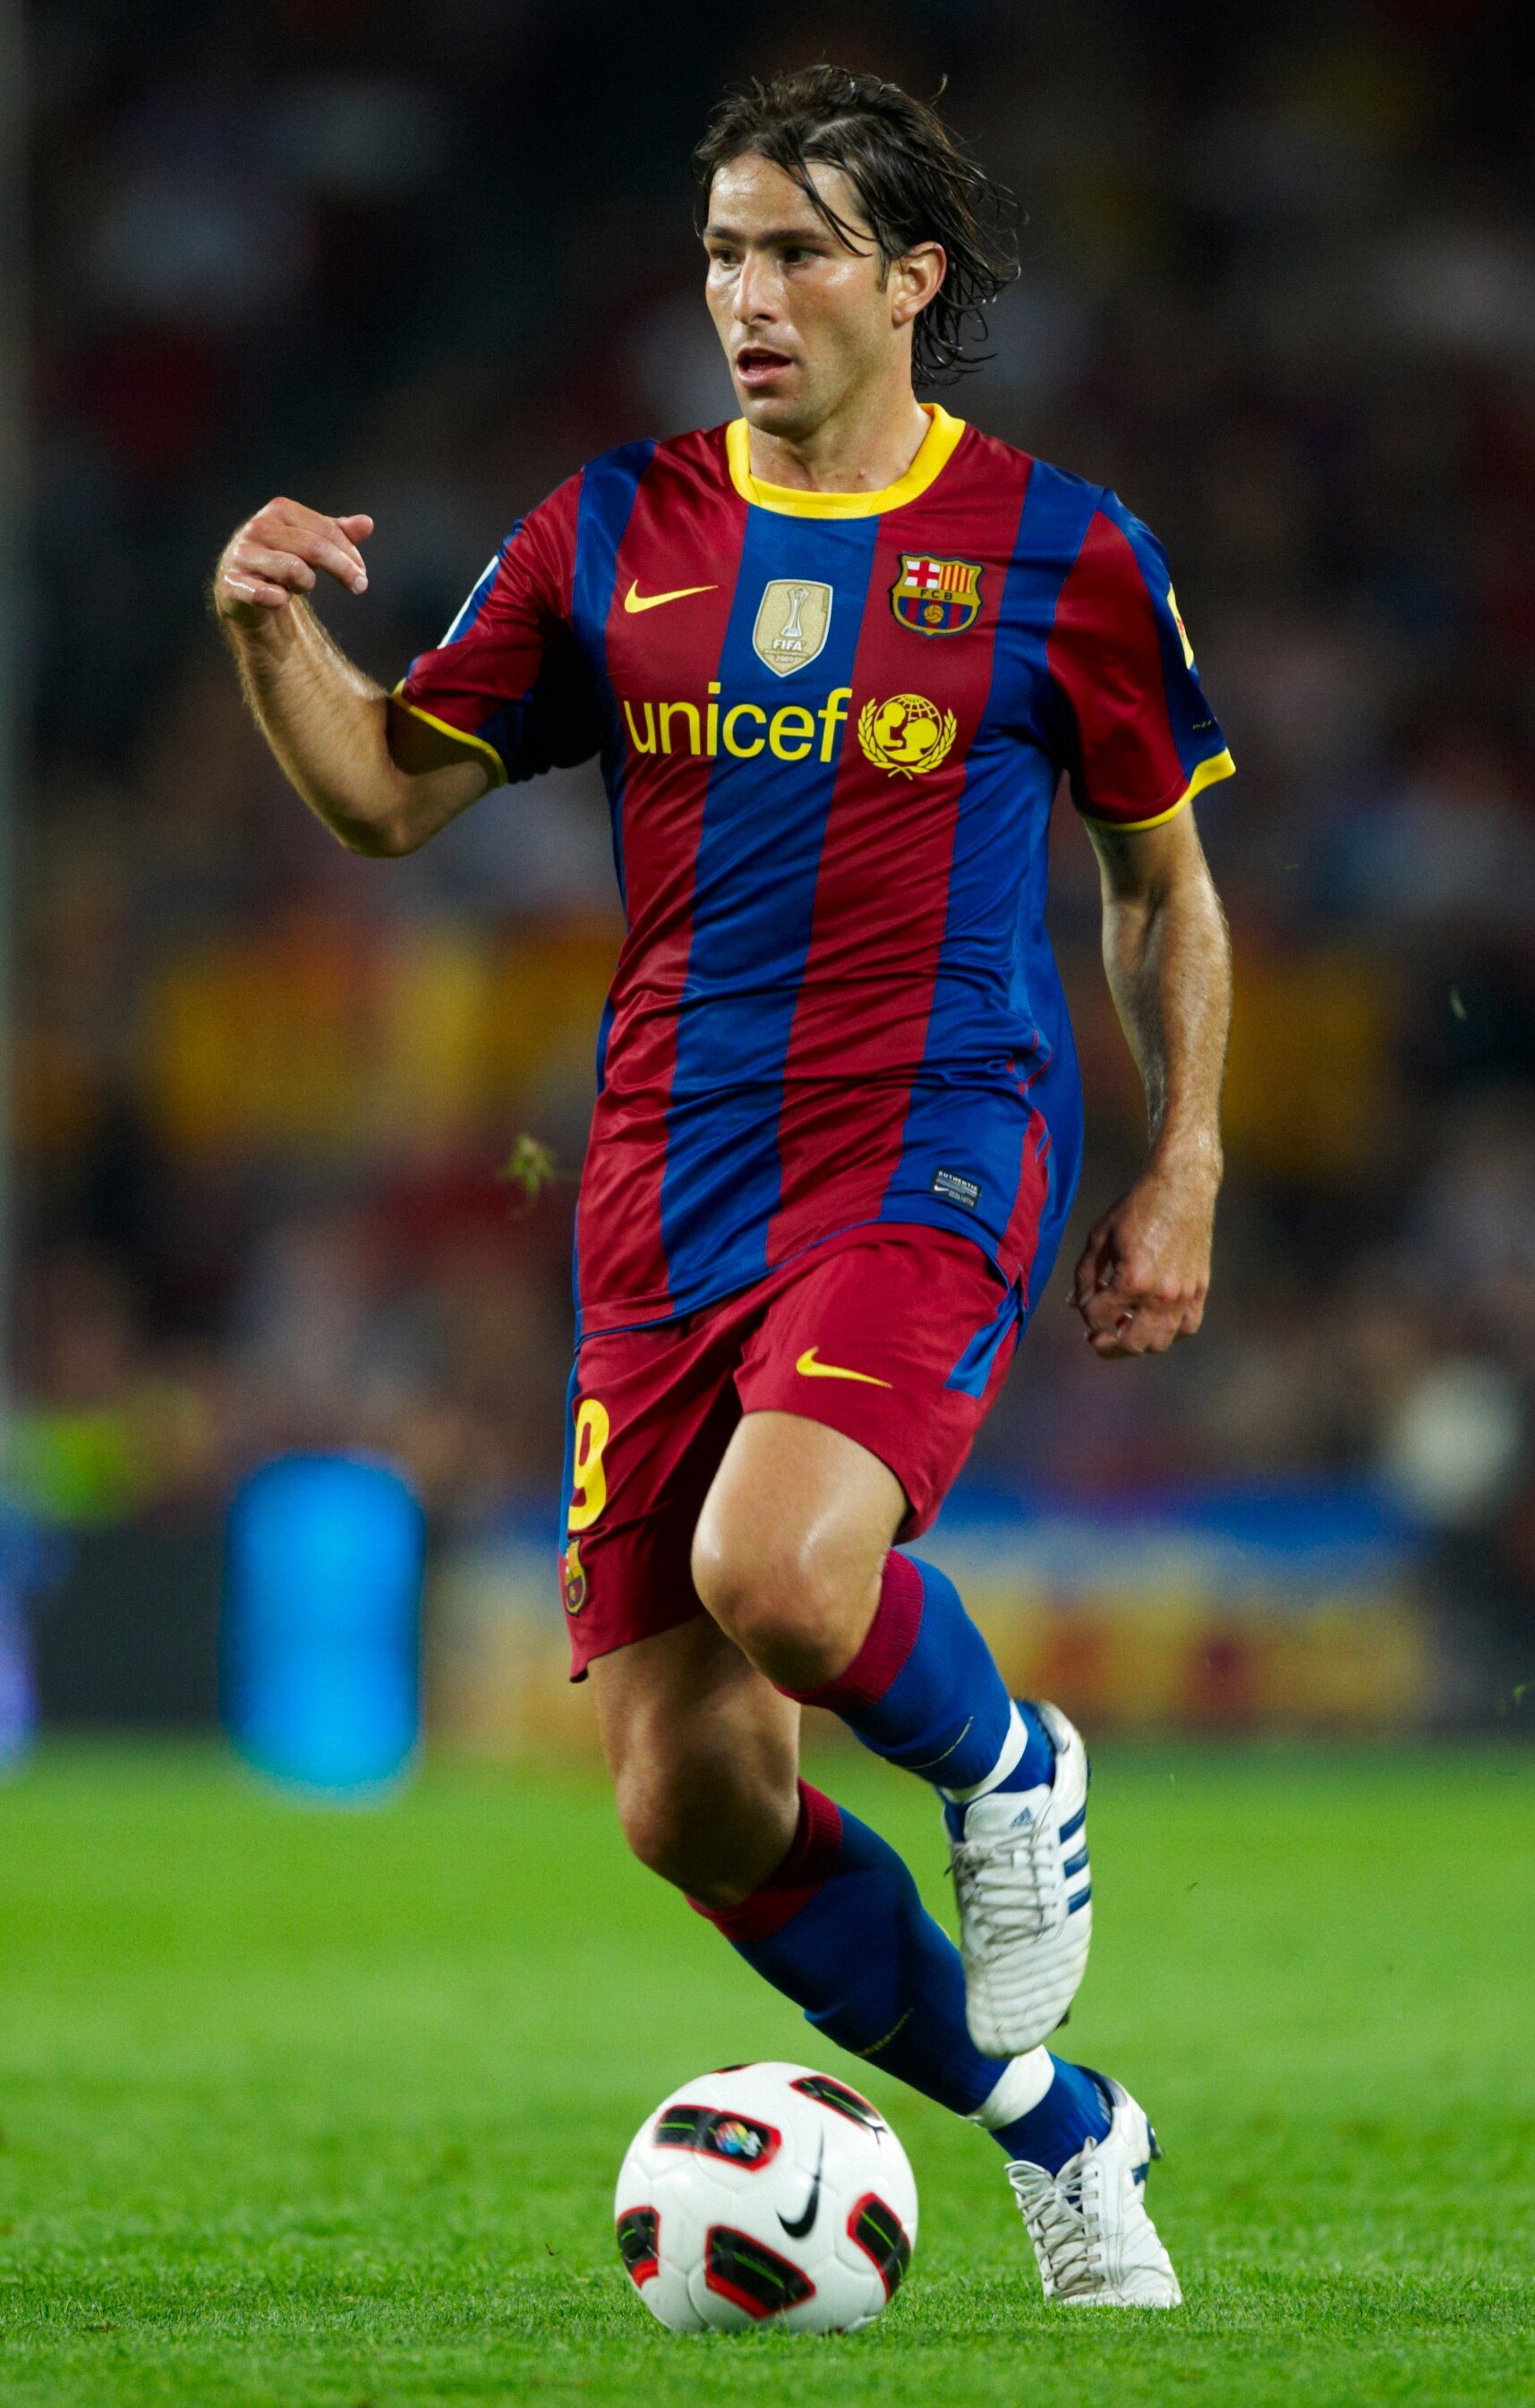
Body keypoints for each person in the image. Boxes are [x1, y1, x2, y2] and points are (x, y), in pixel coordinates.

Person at [213, 66, 1232, 2309]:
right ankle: (1064, 2128)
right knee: (688, 1798)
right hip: (668, 1186)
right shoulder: (611, 530)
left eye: (788, 252)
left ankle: (1011, 1763)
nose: (743, 298)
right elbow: (389, 798)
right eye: (717, 255)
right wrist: (267, 629)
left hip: (931, 1134)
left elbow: (1162, 885)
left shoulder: (1064, 551)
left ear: (906, 277)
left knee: (783, 1569)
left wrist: (1184, 1157)